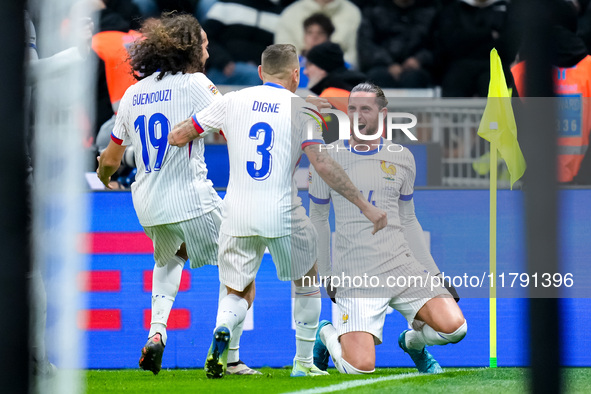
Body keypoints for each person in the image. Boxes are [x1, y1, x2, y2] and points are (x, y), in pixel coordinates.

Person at [167, 43, 387, 378]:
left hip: (236, 211)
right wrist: (362, 203)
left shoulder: (231, 100)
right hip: (281, 210)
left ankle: (225, 333)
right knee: (307, 279)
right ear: (296, 74)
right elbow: (323, 164)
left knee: (236, 290)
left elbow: (178, 135)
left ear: (260, 72)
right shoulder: (302, 109)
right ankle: (302, 363)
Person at [96, 13, 258, 375]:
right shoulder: (195, 83)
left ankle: (156, 334)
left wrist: (104, 174)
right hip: (189, 197)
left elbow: (110, 157)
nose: (208, 49)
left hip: (147, 203)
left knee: (171, 258)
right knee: (241, 264)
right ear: (186, 48)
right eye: (203, 43)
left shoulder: (133, 93)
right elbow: (229, 119)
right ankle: (228, 356)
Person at [309, 82, 467, 375]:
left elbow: (408, 220)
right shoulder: (325, 159)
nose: (357, 115)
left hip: (401, 265)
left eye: (365, 109)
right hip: (355, 273)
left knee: (455, 329)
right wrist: (328, 273)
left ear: (382, 113)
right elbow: (317, 218)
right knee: (359, 368)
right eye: (352, 108)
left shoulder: (402, 157)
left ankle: (412, 343)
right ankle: (326, 334)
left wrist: (435, 273)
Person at [512, 0, 591, 184]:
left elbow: (516, 131)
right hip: (584, 186)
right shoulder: (588, 69)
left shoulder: (522, 73)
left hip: (537, 183)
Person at [357, 0, 437, 89]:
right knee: (377, 77)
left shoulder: (431, 12)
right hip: (380, 67)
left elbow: (438, 46)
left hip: (419, 69)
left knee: (416, 78)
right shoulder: (374, 10)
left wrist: (419, 59)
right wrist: (388, 64)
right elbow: (366, 45)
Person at [274, 0, 361, 67]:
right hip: (297, 78)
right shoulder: (290, 14)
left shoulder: (352, 13)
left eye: (321, 33)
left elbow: (353, 57)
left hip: (339, 77)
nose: (315, 37)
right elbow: (283, 59)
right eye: (309, 32)